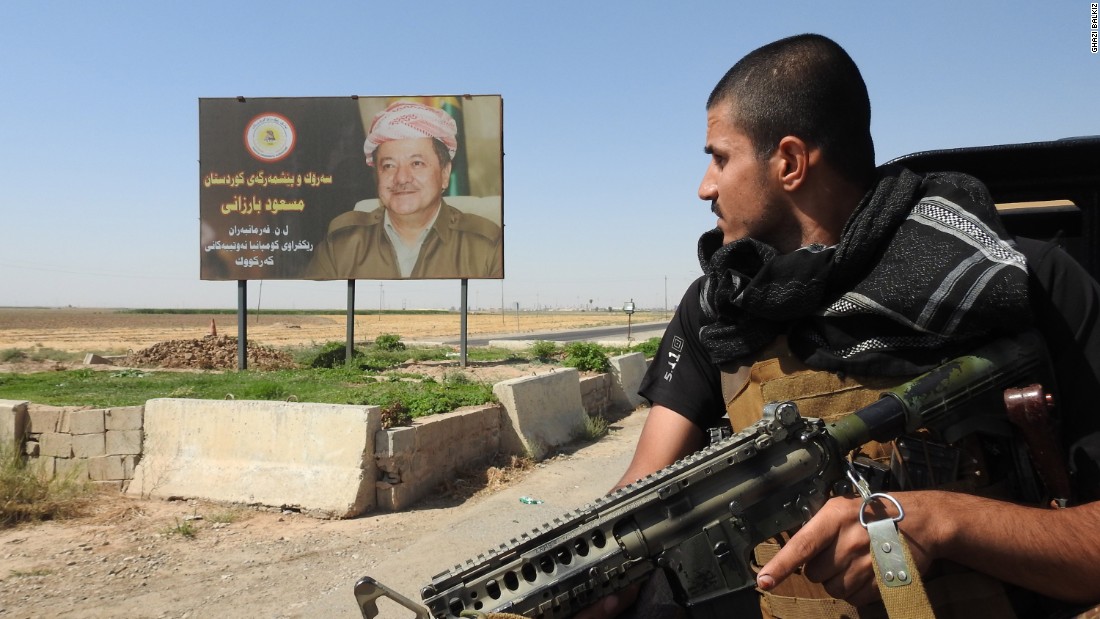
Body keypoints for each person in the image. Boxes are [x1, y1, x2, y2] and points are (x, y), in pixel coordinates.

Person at [580, 34, 1100, 619]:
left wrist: (948, 522)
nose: (705, 185)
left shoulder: (1017, 284)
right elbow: (640, 497)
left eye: (720, 157)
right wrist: (593, 575)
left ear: (790, 163)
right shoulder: (719, 309)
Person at [306, 101, 502, 279]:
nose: (401, 178)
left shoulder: (486, 246)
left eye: (416, 163)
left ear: (444, 173)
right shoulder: (341, 245)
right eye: (389, 165)